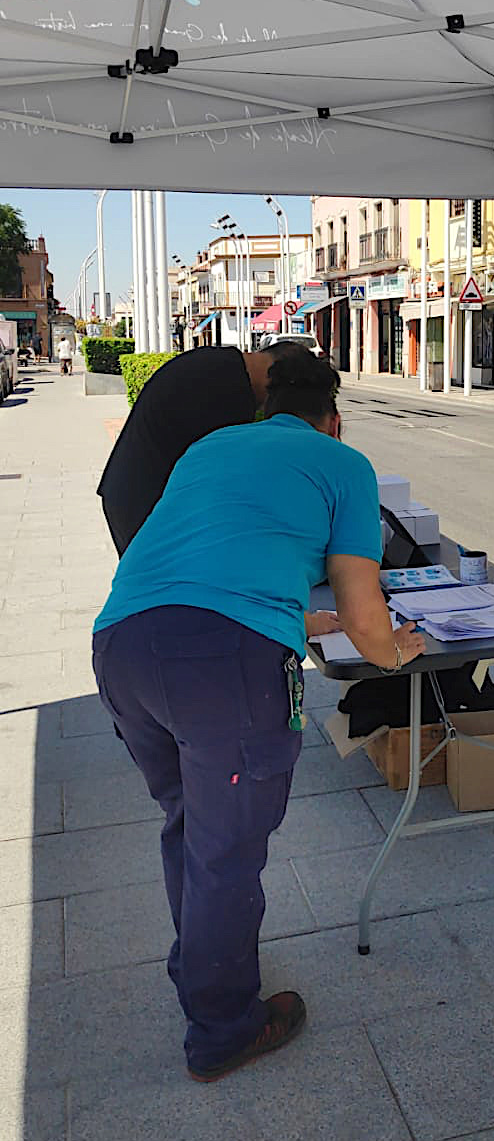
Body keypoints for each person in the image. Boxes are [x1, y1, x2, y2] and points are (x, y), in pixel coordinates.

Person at [92, 349, 424, 1082]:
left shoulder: (214, 445)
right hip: (222, 665)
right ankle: (221, 1028)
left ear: (263, 409)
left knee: (187, 816)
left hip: (122, 642)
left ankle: (201, 962)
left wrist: (297, 614)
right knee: (228, 846)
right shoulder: (344, 464)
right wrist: (397, 651)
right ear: (332, 419)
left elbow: (218, 556)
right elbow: (369, 621)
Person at [97, 341, 312, 556]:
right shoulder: (230, 388)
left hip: (132, 491)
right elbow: (227, 478)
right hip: (147, 505)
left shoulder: (222, 364)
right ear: (280, 380)